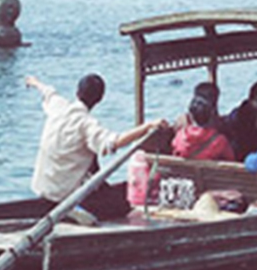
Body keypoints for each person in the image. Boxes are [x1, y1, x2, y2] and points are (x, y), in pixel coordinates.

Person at [26, 73, 167, 220]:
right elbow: (114, 142)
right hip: (63, 195)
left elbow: (48, 92)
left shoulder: (59, 106)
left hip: (41, 188)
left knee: (96, 172)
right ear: (99, 99)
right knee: (122, 206)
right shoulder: (86, 124)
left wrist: (34, 82)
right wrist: (147, 126)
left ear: (77, 92)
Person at [172, 95, 236, 162]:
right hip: (211, 172)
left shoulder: (180, 136)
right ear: (210, 115)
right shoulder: (220, 141)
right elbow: (231, 160)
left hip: (183, 172)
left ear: (191, 116)